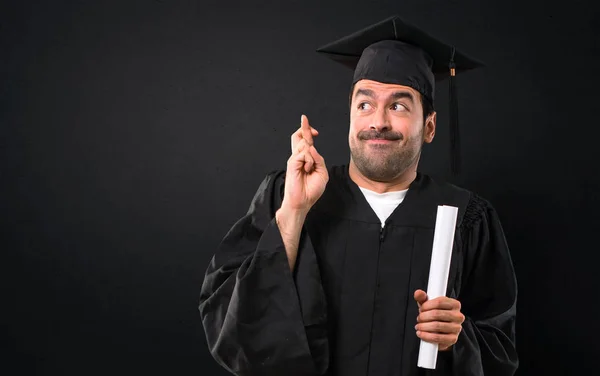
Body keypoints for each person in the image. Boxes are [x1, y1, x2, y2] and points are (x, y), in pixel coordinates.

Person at [199, 15, 518, 376]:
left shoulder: (468, 218)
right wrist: (292, 214)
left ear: (428, 126)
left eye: (398, 106)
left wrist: (457, 338)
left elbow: (500, 350)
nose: (378, 121)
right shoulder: (286, 195)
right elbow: (227, 327)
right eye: (365, 104)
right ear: (350, 114)